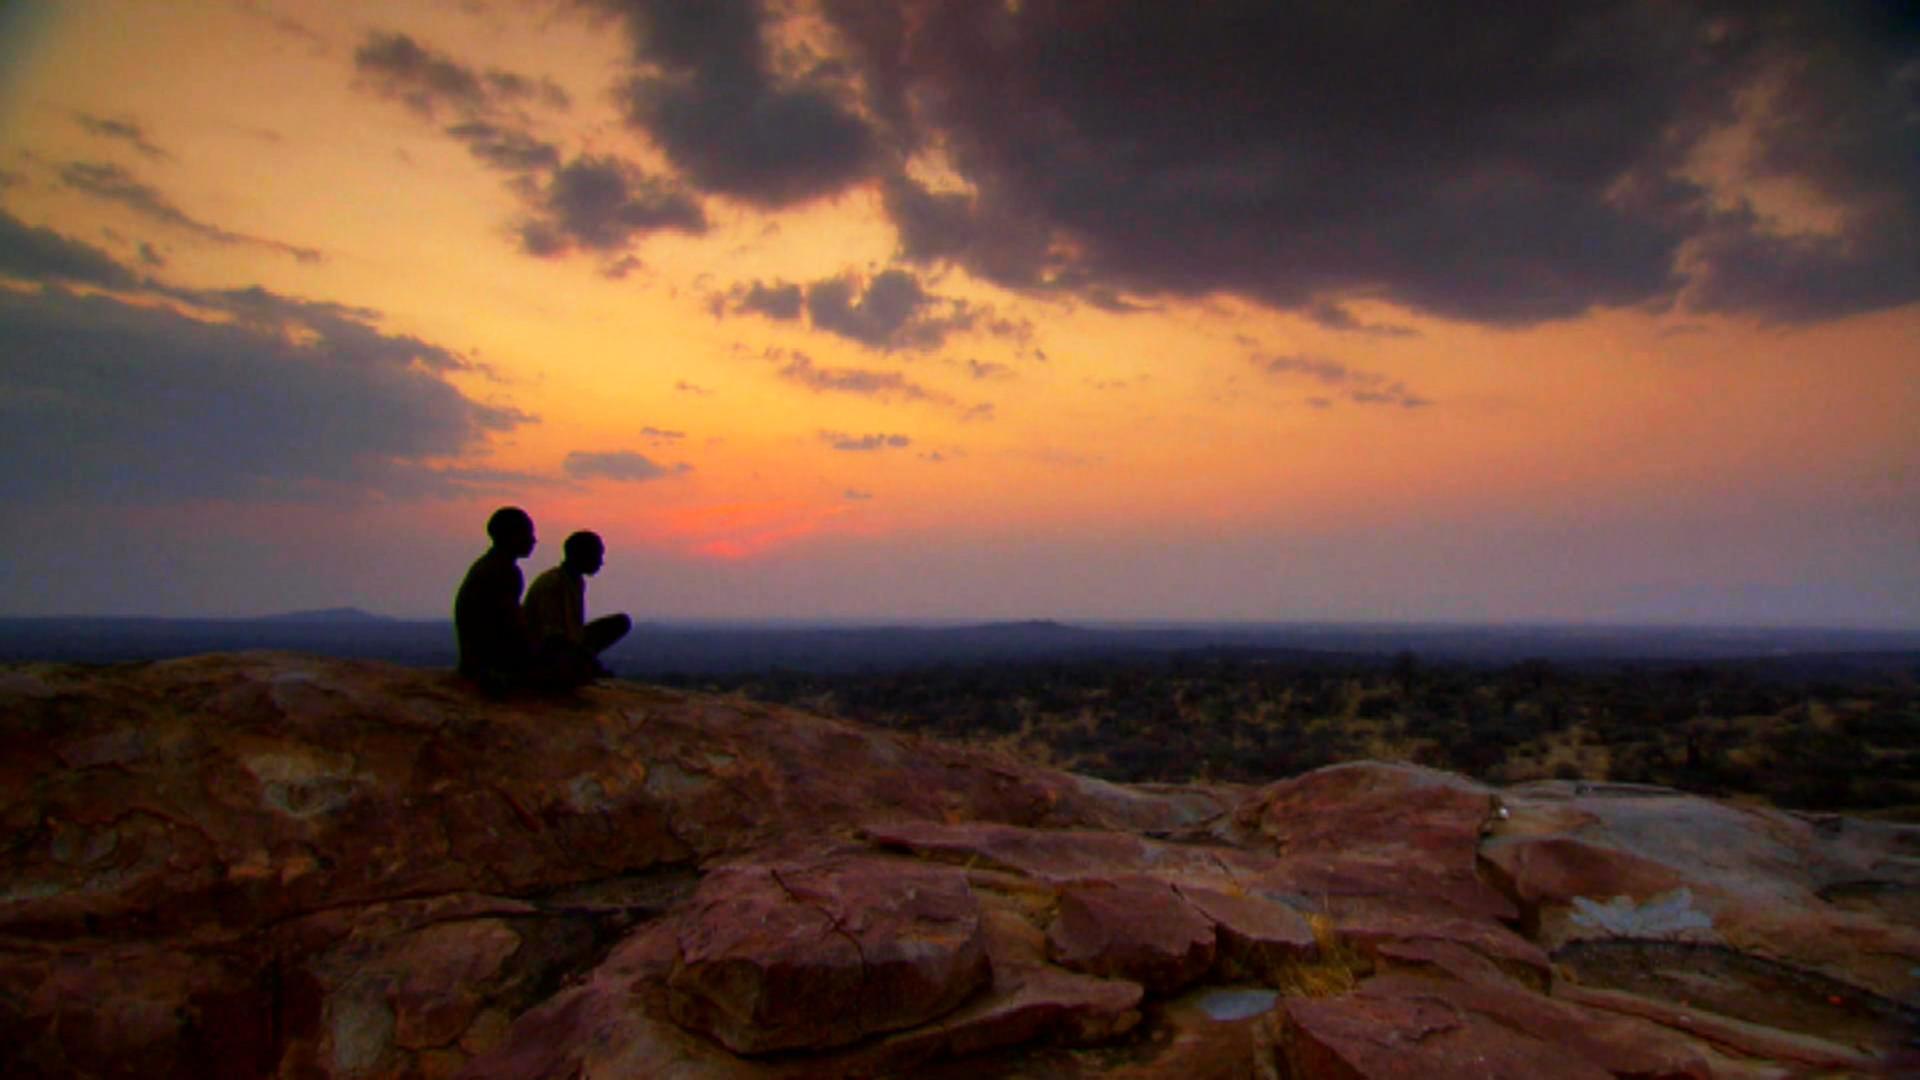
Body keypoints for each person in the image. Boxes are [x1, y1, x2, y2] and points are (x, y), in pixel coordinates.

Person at [523, 530, 631, 683]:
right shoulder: (553, 583)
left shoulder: (575, 582)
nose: (601, 562)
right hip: (545, 651)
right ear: (582, 555)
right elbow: (552, 637)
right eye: (597, 555)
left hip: (568, 644)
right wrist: (583, 659)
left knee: (620, 623)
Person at [453, 506, 537, 690]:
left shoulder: (489, 566)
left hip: (479, 661)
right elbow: (510, 625)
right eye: (527, 534)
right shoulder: (503, 571)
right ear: (510, 536)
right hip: (489, 665)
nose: (533, 540)